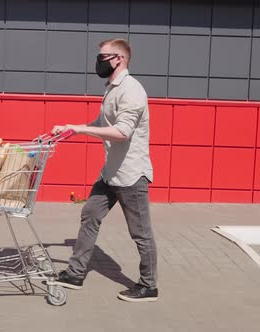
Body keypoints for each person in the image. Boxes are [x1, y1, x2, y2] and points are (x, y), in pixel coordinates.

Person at [50, 38, 158, 302]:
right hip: (110, 173)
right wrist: (71, 128)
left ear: (118, 59)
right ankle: (75, 273)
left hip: (131, 175)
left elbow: (122, 132)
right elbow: (104, 122)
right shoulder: (112, 88)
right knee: (90, 214)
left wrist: (81, 129)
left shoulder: (132, 90)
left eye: (103, 57)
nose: (98, 62)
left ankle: (148, 286)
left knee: (140, 232)